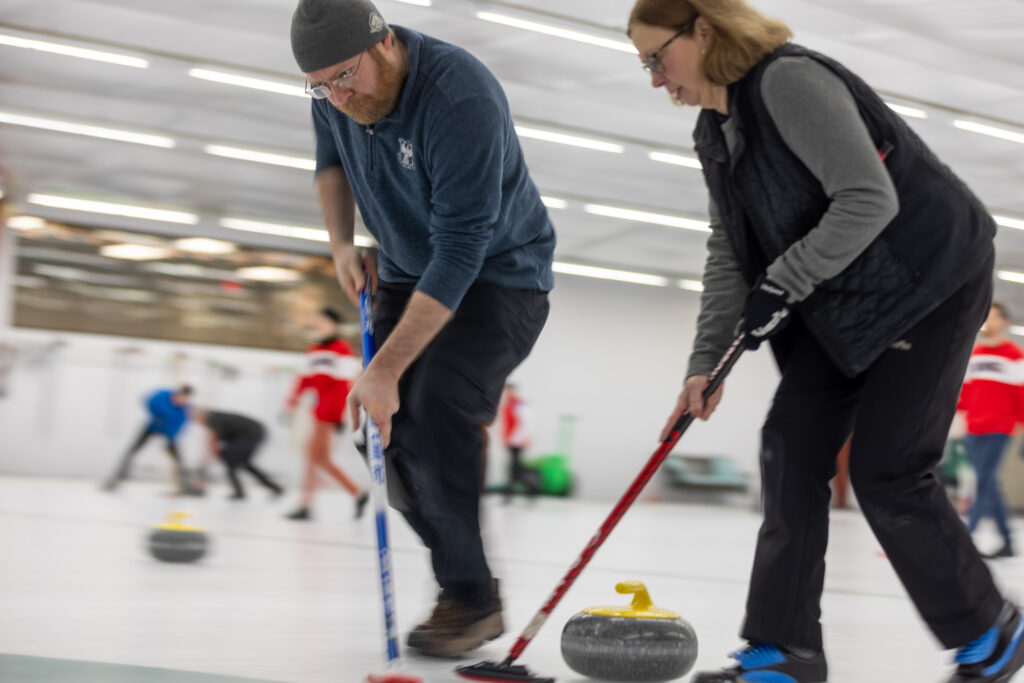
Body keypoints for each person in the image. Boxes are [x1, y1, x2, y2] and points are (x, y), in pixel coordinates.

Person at [626, 1, 1023, 681]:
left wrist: (784, 282)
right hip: (837, 296)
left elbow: (869, 197)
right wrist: (706, 364)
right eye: (644, 65)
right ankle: (787, 650)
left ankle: (991, 631)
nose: (655, 79)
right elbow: (731, 249)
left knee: (888, 468)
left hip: (926, 280)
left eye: (657, 58)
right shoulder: (712, 131)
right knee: (791, 446)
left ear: (702, 29)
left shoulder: (789, 81)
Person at [289, 0, 554, 657]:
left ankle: (467, 597)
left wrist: (383, 371)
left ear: (383, 45)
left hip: (501, 277)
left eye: (344, 78)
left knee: (434, 405)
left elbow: (462, 250)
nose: (338, 97)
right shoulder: (335, 89)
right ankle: (467, 584)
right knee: (382, 434)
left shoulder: (459, 95)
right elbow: (330, 159)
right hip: (406, 272)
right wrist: (342, 245)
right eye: (321, 86)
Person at [284, 307, 368, 521]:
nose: (319, 325)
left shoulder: (341, 349)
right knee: (318, 458)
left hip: (327, 413)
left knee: (315, 458)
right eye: (318, 321)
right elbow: (305, 379)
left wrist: (337, 415)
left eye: (323, 321)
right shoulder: (313, 350)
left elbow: (343, 385)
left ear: (334, 324)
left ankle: (307, 505)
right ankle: (356, 493)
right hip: (316, 410)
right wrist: (293, 400)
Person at [958, 303, 1023, 560]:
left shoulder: (1014, 356)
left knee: (984, 480)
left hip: (1000, 427)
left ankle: (966, 536)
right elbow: (965, 393)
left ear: (1005, 322)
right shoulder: (977, 354)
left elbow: (1021, 396)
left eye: (994, 318)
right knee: (989, 483)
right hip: (974, 427)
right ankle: (1007, 540)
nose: (989, 323)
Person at [103, 385, 201, 495]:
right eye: (180, 397)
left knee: (178, 457)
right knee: (133, 450)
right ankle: (117, 478)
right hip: (152, 427)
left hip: (169, 433)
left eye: (184, 398)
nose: (181, 400)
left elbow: (180, 426)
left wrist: (170, 439)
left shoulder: (184, 410)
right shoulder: (163, 395)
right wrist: (157, 416)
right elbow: (148, 401)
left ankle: (184, 484)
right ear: (177, 393)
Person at [193, 409, 284, 501]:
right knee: (244, 463)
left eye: (197, 419)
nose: (198, 423)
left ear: (202, 416)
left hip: (251, 434)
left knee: (230, 460)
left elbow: (213, 439)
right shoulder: (216, 418)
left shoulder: (213, 419)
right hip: (252, 434)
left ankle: (239, 491)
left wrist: (214, 453)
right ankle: (275, 487)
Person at [500, 384, 539, 501]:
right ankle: (521, 491)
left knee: (514, 469)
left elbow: (526, 423)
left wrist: (515, 439)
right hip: (513, 441)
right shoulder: (510, 404)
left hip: (517, 441)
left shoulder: (518, 404)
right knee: (514, 468)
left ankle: (526, 489)